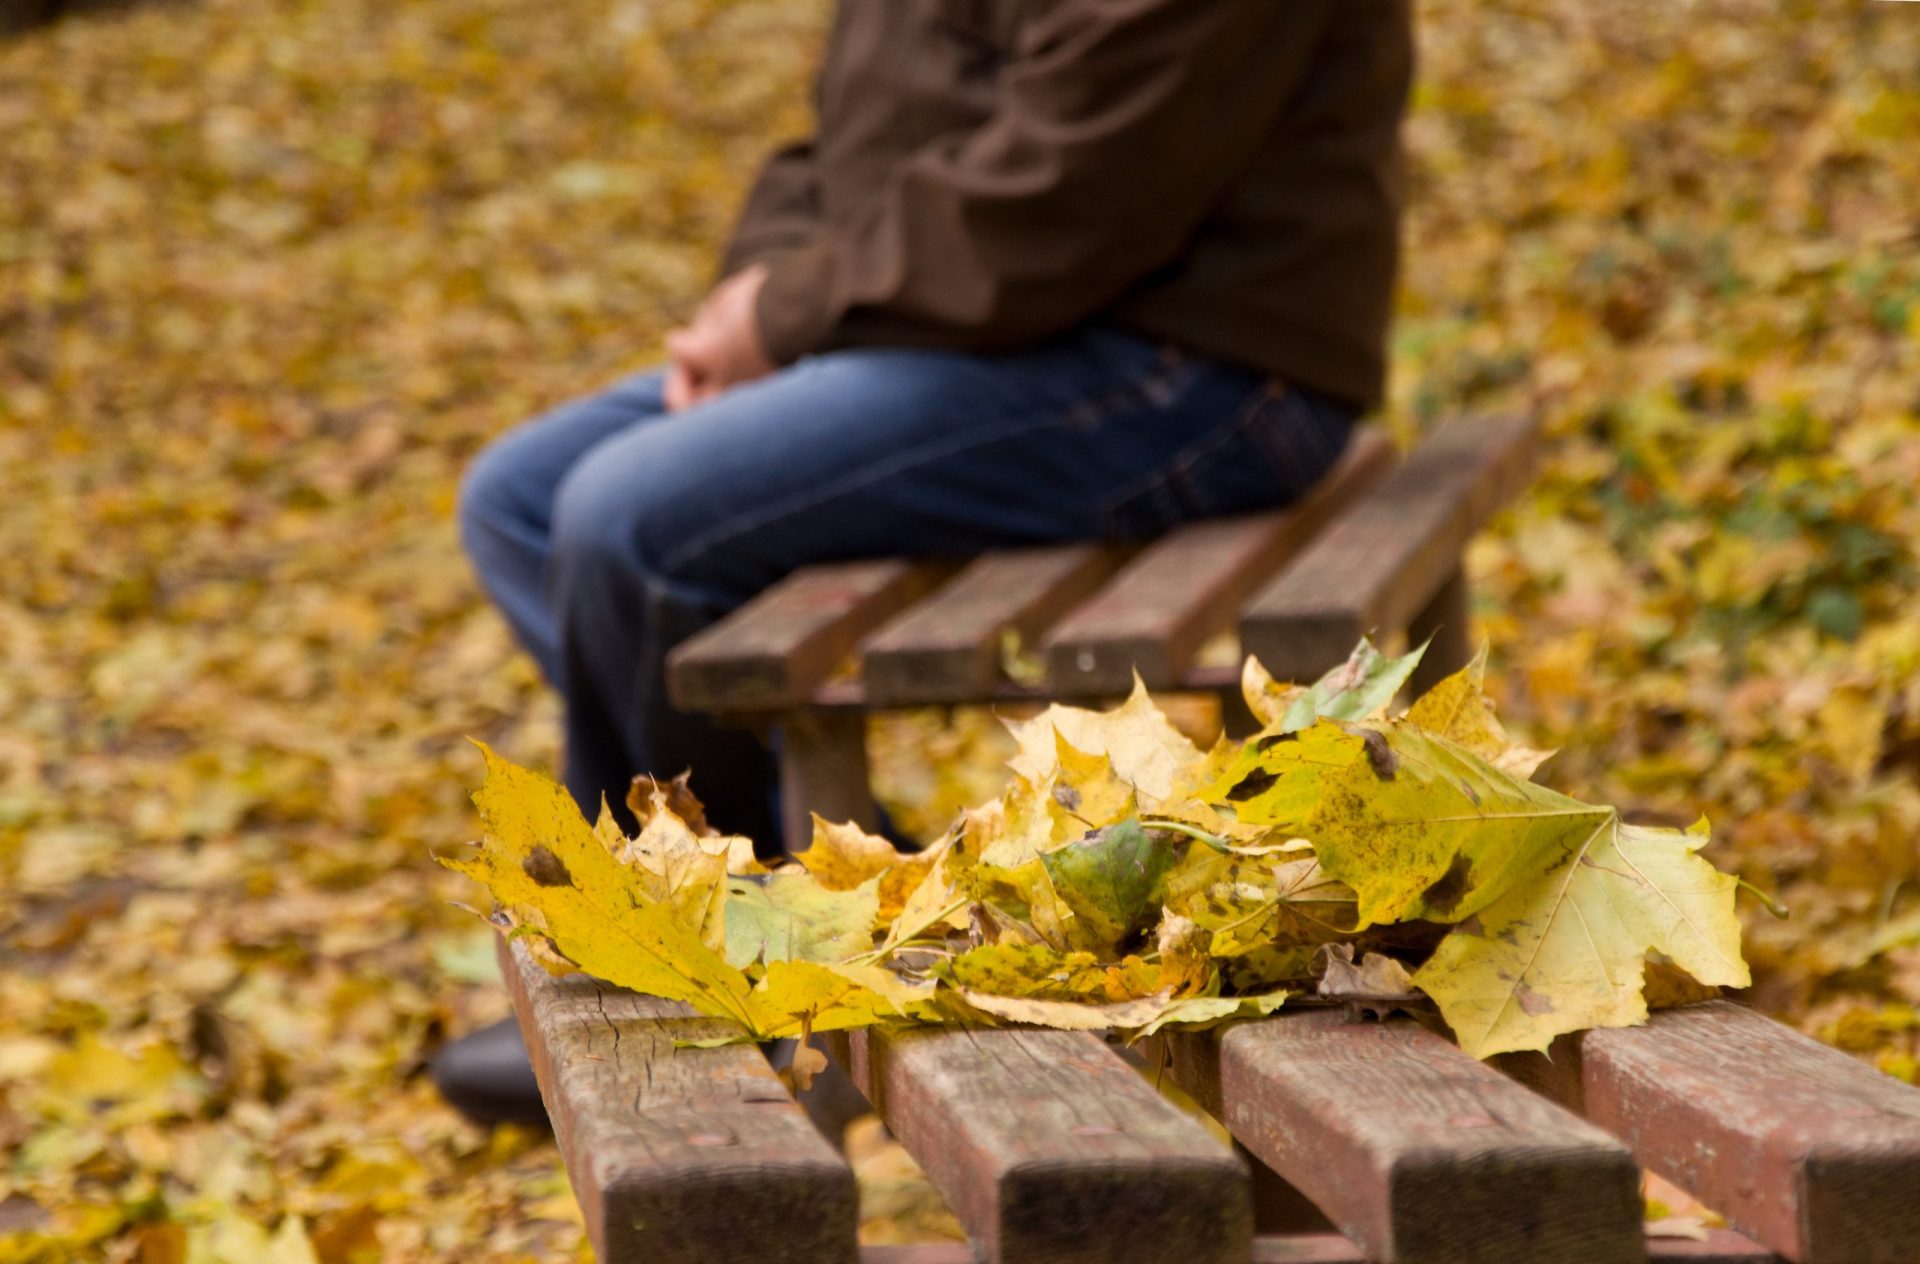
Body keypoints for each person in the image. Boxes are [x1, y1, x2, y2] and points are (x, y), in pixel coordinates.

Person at [432, 0, 1414, 1125]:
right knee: (522, 500)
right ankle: (796, 924)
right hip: (984, 322)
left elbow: (1079, 185)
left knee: (630, 515)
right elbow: (856, 143)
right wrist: (750, 307)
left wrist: (791, 316)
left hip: (1190, 358)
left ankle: (719, 966)